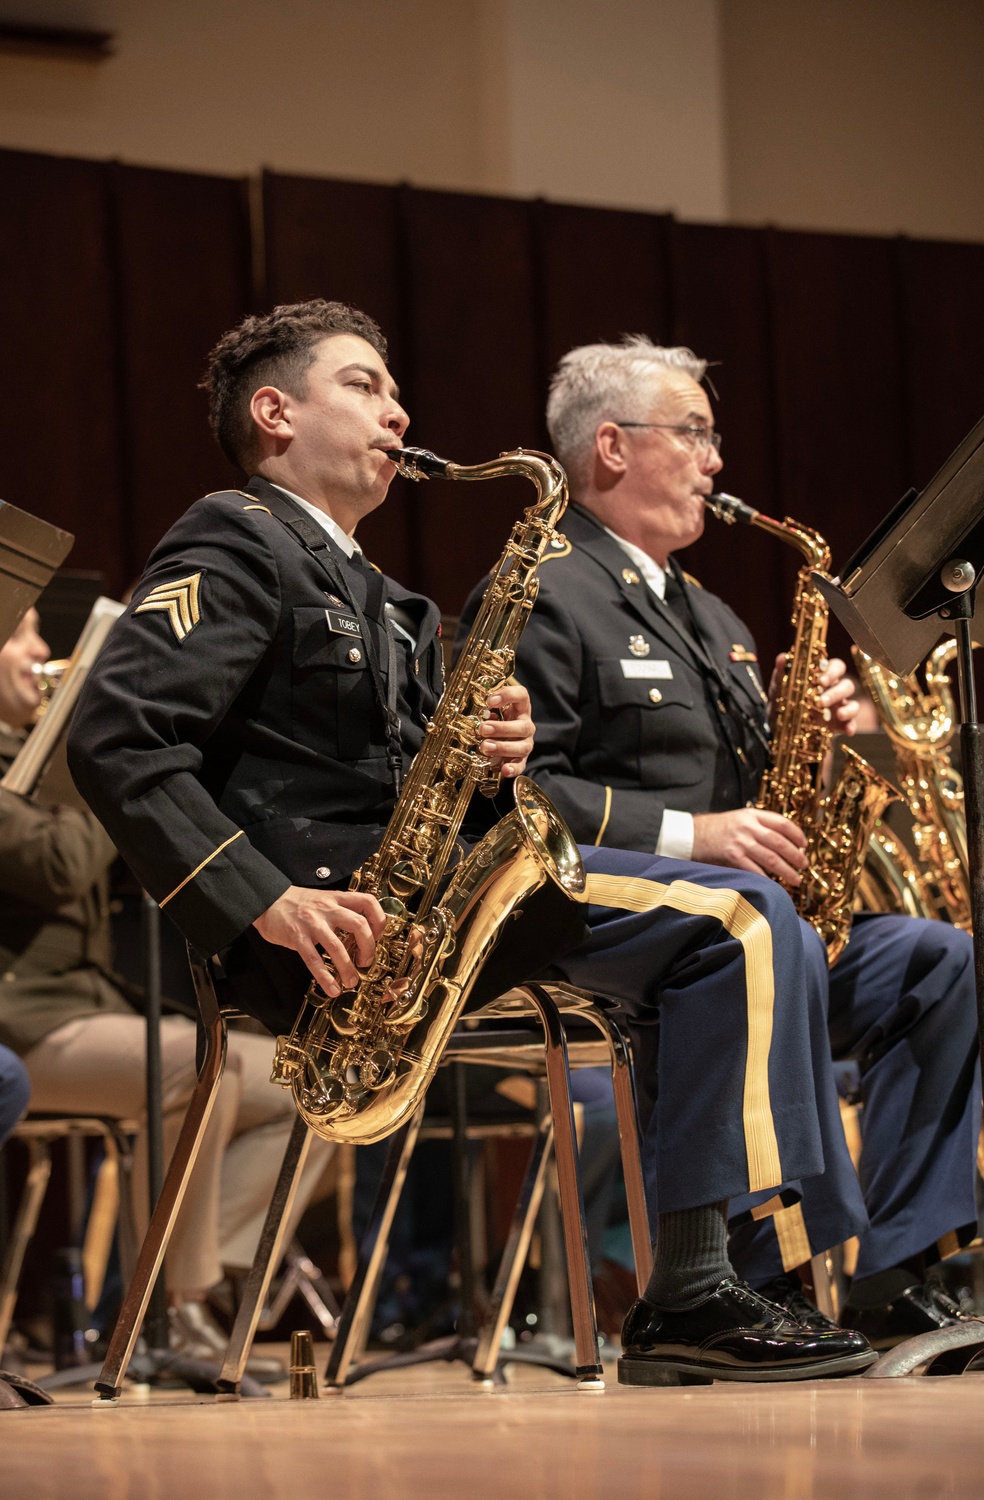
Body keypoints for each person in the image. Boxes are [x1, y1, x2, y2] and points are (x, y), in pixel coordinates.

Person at [67, 299, 874, 1386]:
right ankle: (704, 1287)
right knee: (730, 917)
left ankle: (727, 1279)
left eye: (396, 389)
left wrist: (499, 756)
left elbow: (418, 783)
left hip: (437, 904)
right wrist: (263, 898)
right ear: (274, 412)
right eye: (362, 385)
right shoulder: (233, 539)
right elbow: (118, 738)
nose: (398, 410)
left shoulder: (380, 593)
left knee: (736, 923)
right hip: (333, 923)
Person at [459, 335, 981, 1347]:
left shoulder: (714, 616)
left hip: (753, 921)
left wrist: (818, 737)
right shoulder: (543, 590)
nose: (716, 461)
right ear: (609, 448)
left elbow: (757, 809)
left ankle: (898, 1269)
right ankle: (750, 1272)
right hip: (594, 910)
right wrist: (691, 832)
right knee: (751, 922)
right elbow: (515, 793)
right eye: (692, 432)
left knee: (938, 960)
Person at [0, 607, 331, 1376]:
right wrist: (105, 753)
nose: (41, 652)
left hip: (84, 1007)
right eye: (21, 634)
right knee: (200, 1066)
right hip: (20, 1021)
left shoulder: (37, 758)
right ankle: (177, 1310)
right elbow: (56, 863)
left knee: (302, 1084)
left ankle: (172, 1275)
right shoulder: (39, 765)